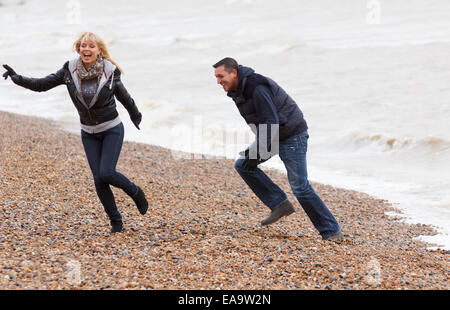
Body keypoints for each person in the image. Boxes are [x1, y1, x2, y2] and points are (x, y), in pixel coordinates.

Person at [2, 32, 149, 233]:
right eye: (82, 46)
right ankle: (116, 223)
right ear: (78, 49)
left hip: (111, 129)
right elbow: (42, 85)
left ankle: (135, 192)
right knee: (99, 179)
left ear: (99, 51)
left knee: (107, 172)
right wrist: (17, 78)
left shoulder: (110, 72)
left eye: (91, 46)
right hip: (88, 132)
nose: (86, 49)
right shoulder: (69, 70)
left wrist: (135, 115)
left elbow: (124, 97)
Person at [213, 57, 342, 241]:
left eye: (220, 76)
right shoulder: (237, 89)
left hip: (291, 136)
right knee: (243, 165)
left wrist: (259, 149)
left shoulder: (256, 87)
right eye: (216, 77)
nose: (218, 81)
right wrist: (258, 148)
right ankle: (279, 204)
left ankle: (331, 231)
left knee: (300, 188)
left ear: (233, 72)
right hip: (274, 135)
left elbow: (270, 120)